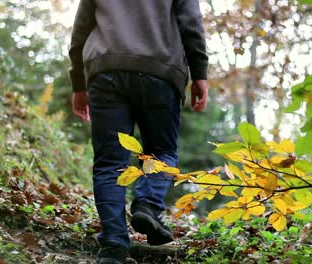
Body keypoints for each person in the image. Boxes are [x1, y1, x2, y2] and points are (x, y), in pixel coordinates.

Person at [69, 1, 208, 263]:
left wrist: (78, 82)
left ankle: (113, 245)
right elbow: (191, 24)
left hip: (105, 68)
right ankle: (146, 205)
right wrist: (199, 73)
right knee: (161, 151)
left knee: (110, 163)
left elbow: (81, 29)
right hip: (161, 70)